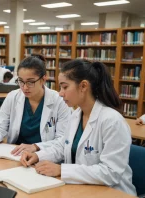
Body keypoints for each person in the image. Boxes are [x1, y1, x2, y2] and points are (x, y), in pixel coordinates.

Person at [20, 59, 136, 196]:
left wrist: (62, 170)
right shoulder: (76, 115)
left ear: (83, 86)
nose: (60, 93)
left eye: (64, 87)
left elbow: (111, 173)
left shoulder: (112, 121)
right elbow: (63, 147)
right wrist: (38, 156)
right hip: (82, 190)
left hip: (113, 193)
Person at [0, 54, 71, 155]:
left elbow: (63, 139)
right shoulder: (12, 97)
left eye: (30, 82)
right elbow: (0, 126)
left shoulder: (60, 101)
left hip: (45, 155)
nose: (25, 87)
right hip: (15, 154)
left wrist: (36, 147)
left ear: (43, 79)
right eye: (21, 81)